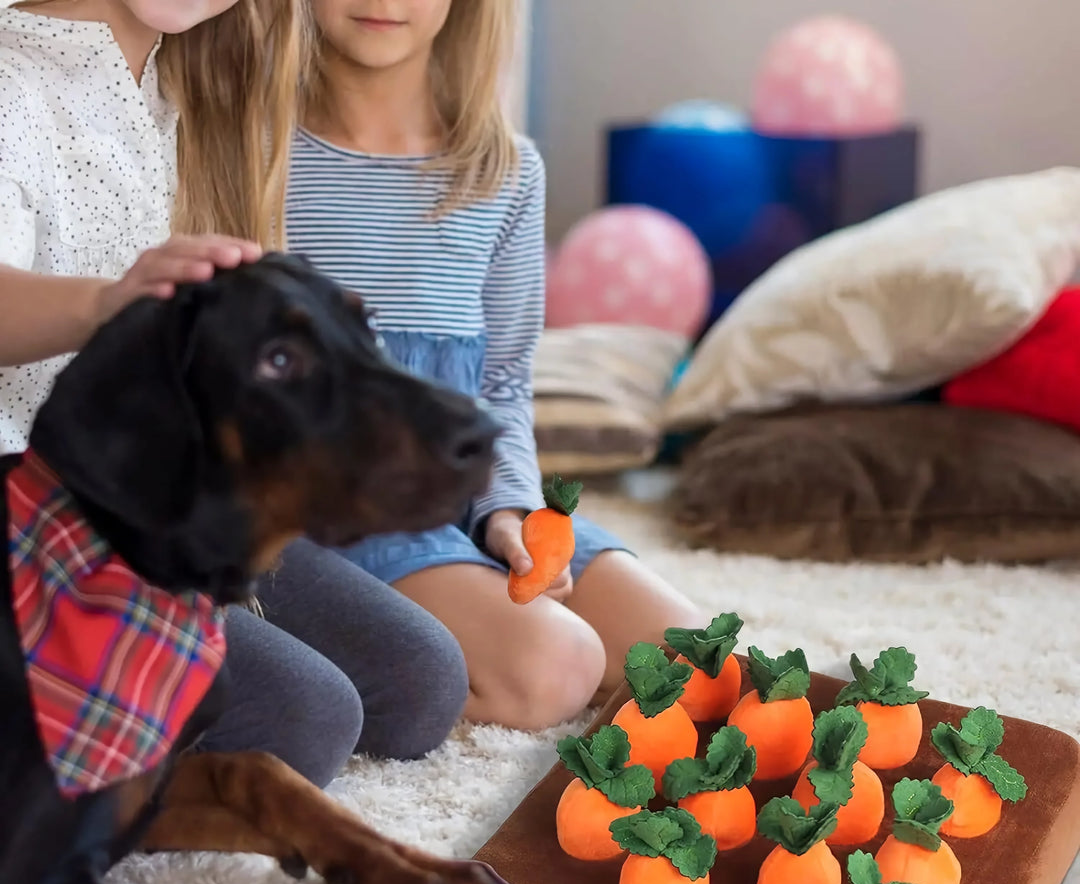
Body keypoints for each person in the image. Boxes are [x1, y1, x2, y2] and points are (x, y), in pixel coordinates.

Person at [0, 0, 469, 787]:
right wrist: (103, 303)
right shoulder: (10, 77)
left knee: (421, 681)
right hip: (29, 502)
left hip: (159, 501)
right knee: (304, 720)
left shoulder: (185, 88)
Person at [288, 0, 703, 734]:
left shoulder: (505, 170)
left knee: (693, 658)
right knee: (555, 670)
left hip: (466, 491)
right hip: (340, 510)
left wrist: (507, 511)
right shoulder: (257, 152)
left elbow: (503, 381)